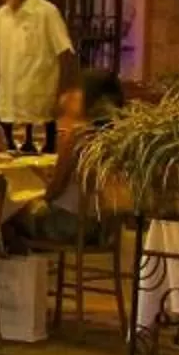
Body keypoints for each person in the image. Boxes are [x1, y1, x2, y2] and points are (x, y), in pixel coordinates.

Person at [21, 69, 127, 248]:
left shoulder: (78, 136)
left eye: (79, 91)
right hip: (104, 229)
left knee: (6, 219)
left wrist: (40, 185)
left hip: (69, 226)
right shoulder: (121, 137)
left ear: (90, 97)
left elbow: (55, 190)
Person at [0, 0, 75, 154]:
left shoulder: (46, 12)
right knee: (9, 162)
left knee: (38, 166)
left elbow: (66, 54)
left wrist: (62, 95)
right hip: (8, 106)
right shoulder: (1, 15)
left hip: (39, 109)